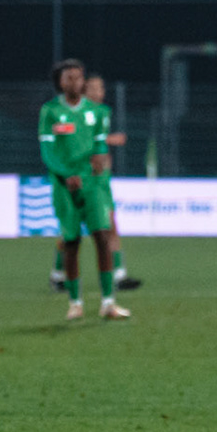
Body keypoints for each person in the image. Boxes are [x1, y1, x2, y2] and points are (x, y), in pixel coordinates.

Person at [39, 59, 130, 321]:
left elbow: (100, 144)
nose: (75, 83)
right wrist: (67, 175)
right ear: (60, 82)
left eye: (79, 78)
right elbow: (47, 151)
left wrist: (101, 158)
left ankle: (108, 303)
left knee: (103, 236)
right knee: (71, 243)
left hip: (92, 185)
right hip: (64, 186)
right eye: (69, 78)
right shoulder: (50, 112)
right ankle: (75, 303)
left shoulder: (98, 112)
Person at [51, 73, 141, 291]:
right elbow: (75, 138)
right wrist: (111, 140)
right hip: (81, 179)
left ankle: (118, 275)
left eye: (101, 88)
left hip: (101, 180)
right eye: (94, 88)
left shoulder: (100, 114)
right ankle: (58, 274)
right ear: (84, 90)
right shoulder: (76, 113)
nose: (99, 92)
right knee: (72, 230)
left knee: (110, 225)